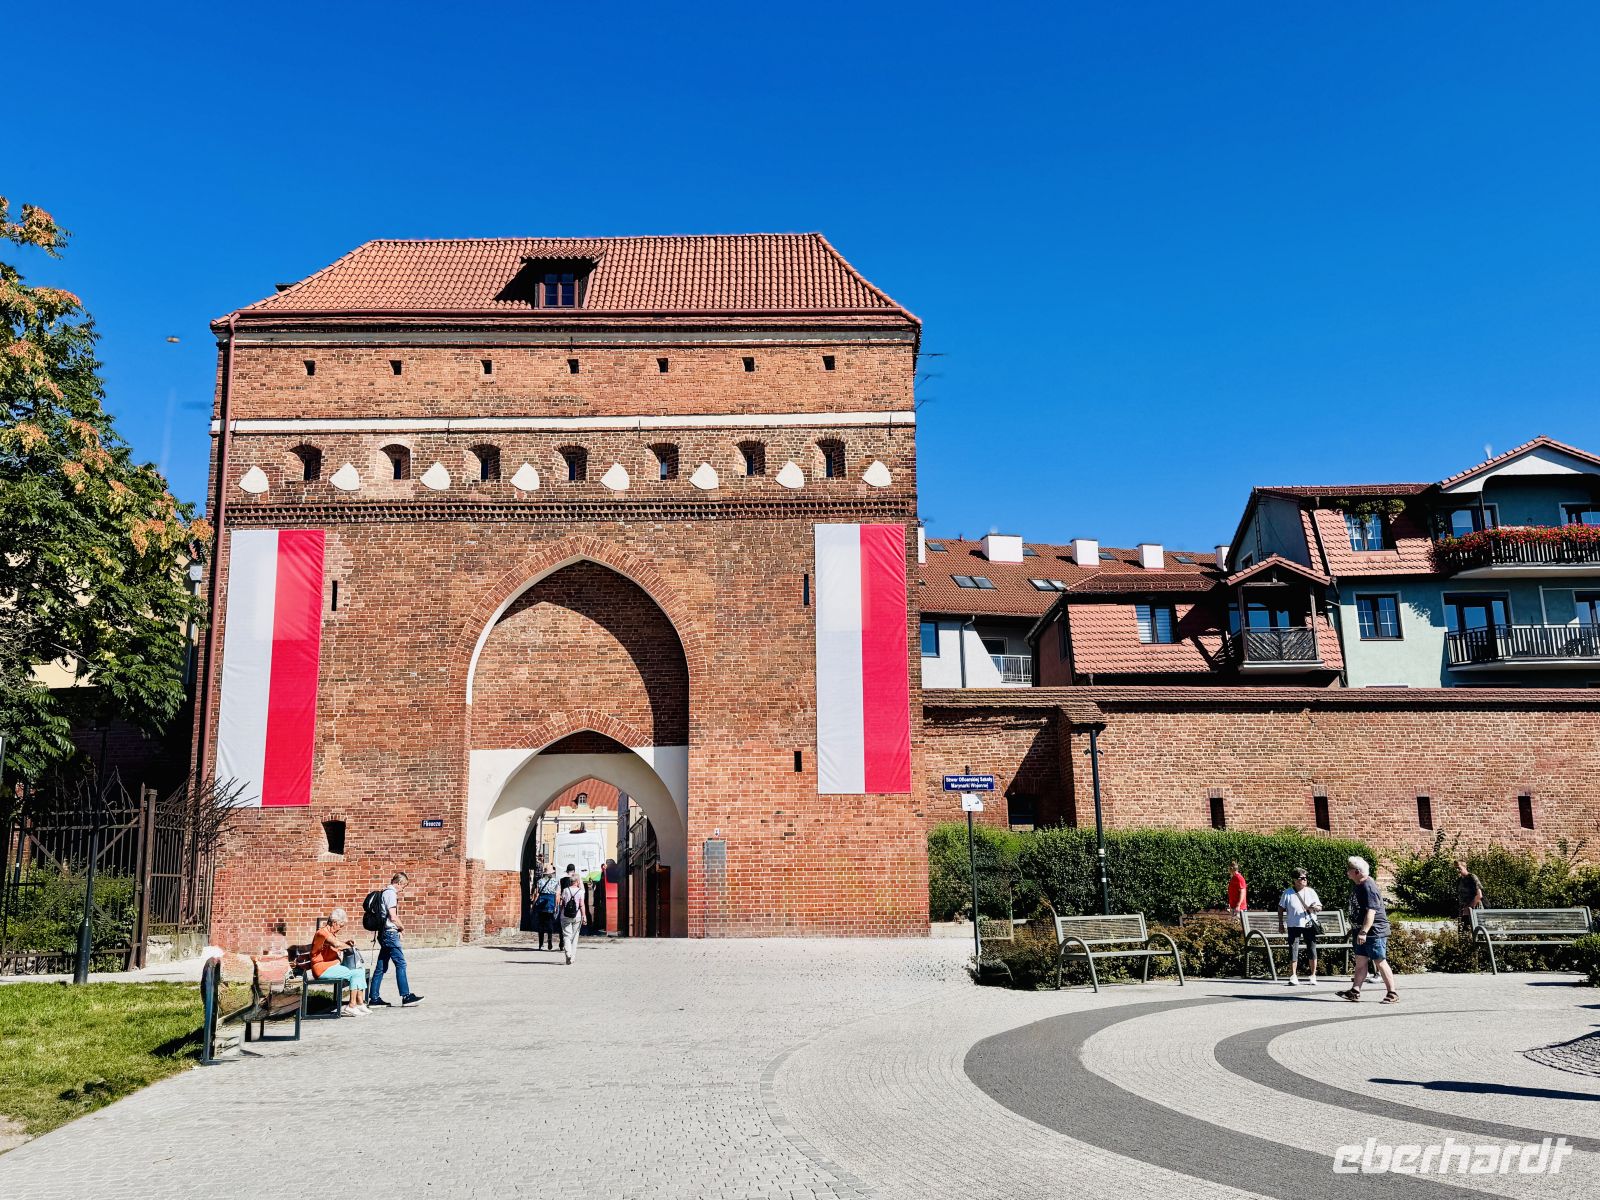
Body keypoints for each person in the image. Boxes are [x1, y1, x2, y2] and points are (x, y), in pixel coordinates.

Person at [1339, 856, 1398, 1004]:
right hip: (1361, 930)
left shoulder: (1368, 887)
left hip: (1374, 931)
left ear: (1357, 871)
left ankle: (1392, 993)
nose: (1347, 872)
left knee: (1379, 961)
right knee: (1361, 961)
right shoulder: (1359, 884)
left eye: (1349, 870)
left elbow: (1371, 912)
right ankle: (1355, 991)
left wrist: (1364, 931)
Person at [368, 871, 423, 1007]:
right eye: (403, 886)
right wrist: (401, 927)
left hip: (383, 933)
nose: (402, 889)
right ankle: (406, 996)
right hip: (390, 934)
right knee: (401, 964)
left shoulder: (384, 892)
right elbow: (392, 916)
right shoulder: (391, 894)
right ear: (399, 883)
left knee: (381, 967)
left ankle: (374, 999)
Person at [311, 908, 370, 1013]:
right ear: (334, 923)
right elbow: (336, 944)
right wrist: (347, 946)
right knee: (354, 974)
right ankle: (351, 1006)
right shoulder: (322, 933)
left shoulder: (330, 933)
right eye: (340, 926)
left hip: (331, 966)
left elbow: (336, 943)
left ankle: (360, 1003)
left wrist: (346, 942)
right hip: (322, 969)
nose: (340, 929)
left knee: (360, 970)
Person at [1276, 868, 1322, 986]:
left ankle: (1313, 975)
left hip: (1309, 923)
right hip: (1293, 924)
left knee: (1312, 948)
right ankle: (1293, 975)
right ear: (1295, 880)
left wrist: (1315, 908)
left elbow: (1319, 907)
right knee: (1293, 948)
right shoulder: (1288, 893)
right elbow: (1281, 908)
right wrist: (1281, 924)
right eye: (1302, 878)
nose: (1304, 880)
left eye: (1306, 878)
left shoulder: (1311, 892)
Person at [559, 863, 588, 966]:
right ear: (577, 881)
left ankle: (568, 953)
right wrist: (584, 916)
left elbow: (562, 903)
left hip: (565, 915)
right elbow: (582, 905)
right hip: (577, 916)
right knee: (575, 937)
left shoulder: (565, 890)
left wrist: (560, 913)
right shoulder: (580, 892)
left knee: (566, 935)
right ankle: (572, 958)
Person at [533, 862, 560, 951]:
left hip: (541, 903)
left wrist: (533, 905)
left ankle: (541, 944)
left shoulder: (540, 881)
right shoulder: (556, 881)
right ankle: (549, 941)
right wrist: (556, 905)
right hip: (551, 903)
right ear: (551, 873)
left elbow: (536, 894)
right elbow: (557, 895)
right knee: (549, 923)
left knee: (540, 924)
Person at [1455, 859, 1484, 930]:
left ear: (1464, 867)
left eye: (1459, 868)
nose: (1457, 870)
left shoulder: (1472, 877)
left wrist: (1469, 907)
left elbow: (1479, 895)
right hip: (1463, 910)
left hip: (1475, 909)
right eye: (1455, 868)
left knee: (1476, 930)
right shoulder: (1459, 880)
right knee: (1463, 932)